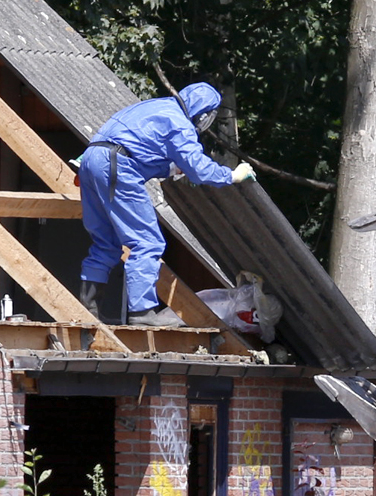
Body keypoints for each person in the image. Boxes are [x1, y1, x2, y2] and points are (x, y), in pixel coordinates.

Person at [78, 82, 255, 326]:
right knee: (147, 241)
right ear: (204, 115)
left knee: (106, 242)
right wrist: (232, 175)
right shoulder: (180, 124)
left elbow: (136, 152)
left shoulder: (157, 106)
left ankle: (88, 309)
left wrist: (170, 168)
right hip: (116, 165)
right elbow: (199, 170)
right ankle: (141, 313)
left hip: (91, 159)